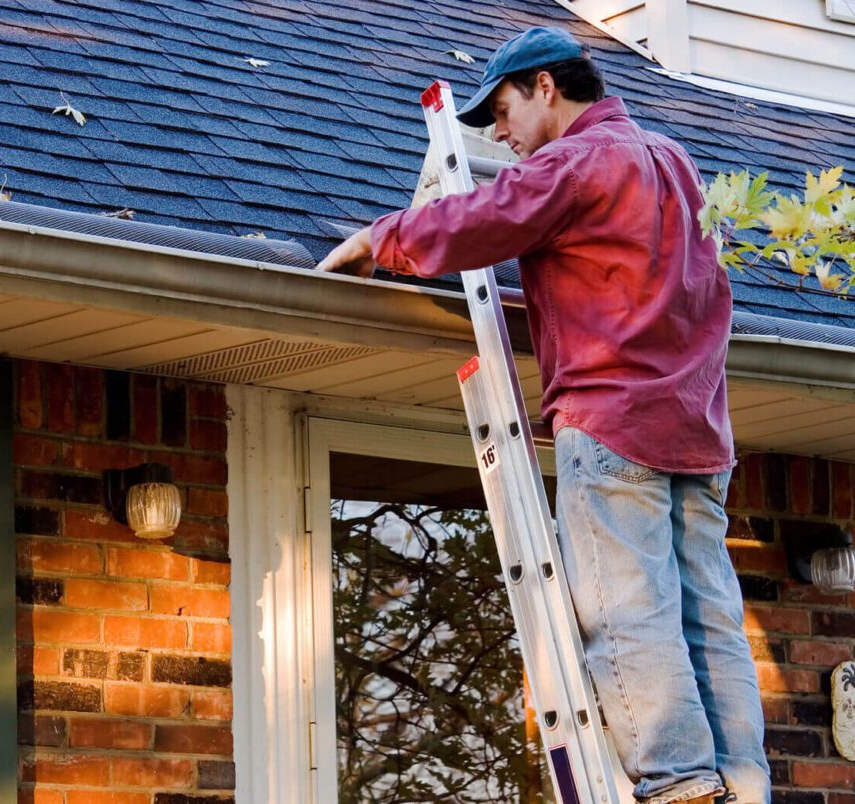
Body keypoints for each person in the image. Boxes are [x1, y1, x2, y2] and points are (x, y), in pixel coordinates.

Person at [317, 25, 771, 804]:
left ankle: (680, 786)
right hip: (696, 430)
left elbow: (477, 223)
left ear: (546, 88)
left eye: (502, 111)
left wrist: (376, 237)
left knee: (630, 615)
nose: (499, 134)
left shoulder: (579, 160)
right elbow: (679, 286)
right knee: (711, 619)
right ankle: (740, 780)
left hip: (613, 420)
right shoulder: (675, 163)